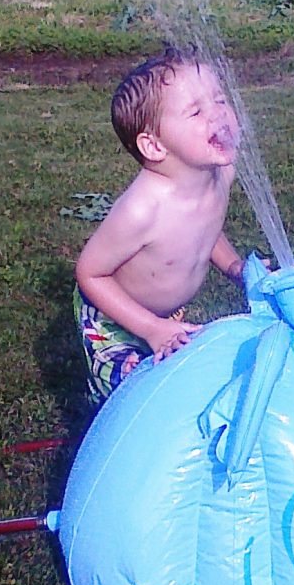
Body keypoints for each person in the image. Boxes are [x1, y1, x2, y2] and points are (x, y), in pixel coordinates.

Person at [74, 47, 246, 403]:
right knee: (132, 396)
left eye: (219, 100)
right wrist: (151, 328)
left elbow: (205, 226)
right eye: (196, 111)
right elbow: (90, 274)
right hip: (113, 319)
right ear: (153, 146)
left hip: (166, 316)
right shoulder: (143, 209)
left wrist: (234, 266)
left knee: (173, 382)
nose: (218, 115)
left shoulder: (219, 174)